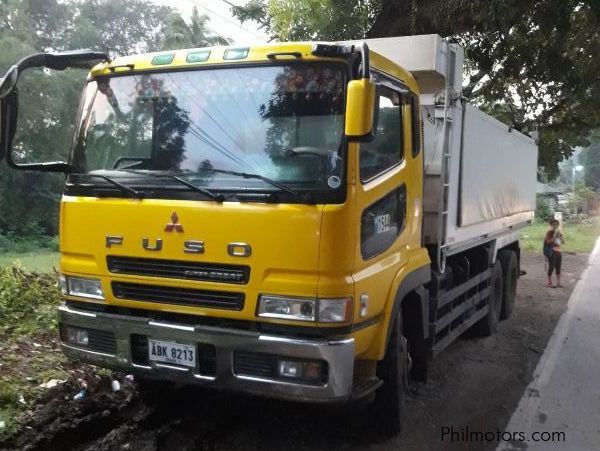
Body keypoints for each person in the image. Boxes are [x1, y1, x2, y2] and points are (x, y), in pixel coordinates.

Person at [545, 219, 565, 288]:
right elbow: (548, 242)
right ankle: (549, 283)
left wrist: (559, 236)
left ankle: (558, 282)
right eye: (553, 224)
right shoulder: (549, 233)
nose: (555, 226)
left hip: (558, 252)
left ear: (558, 225)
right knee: (551, 266)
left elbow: (563, 242)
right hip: (552, 252)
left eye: (556, 224)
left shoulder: (559, 233)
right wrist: (554, 236)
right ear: (551, 225)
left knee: (558, 267)